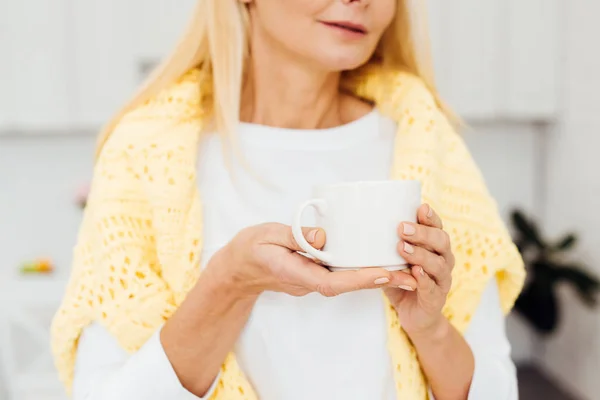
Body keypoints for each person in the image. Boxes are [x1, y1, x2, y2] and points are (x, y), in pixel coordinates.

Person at [51, 0, 526, 399]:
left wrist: (430, 328)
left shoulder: (426, 143)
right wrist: (228, 285)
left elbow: (496, 389)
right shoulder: (146, 152)